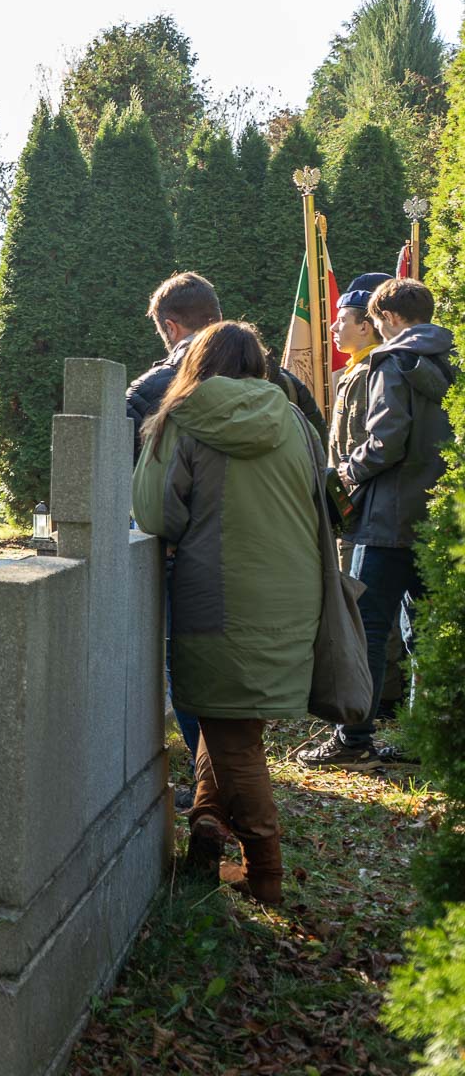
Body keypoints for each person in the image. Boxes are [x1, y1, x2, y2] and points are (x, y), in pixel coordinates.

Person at [132, 321, 323, 906]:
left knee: (233, 738)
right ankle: (207, 825)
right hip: (295, 592)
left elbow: (155, 513)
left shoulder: (182, 418)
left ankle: (267, 874)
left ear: (195, 364)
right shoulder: (294, 418)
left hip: (217, 595)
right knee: (234, 724)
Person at [300, 277, 456, 770]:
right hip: (439, 517)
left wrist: (347, 471)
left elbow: (386, 440)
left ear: (387, 318)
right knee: (424, 630)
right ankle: (423, 738)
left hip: (388, 518)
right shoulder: (451, 361)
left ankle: (353, 739)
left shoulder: (390, 361)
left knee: (363, 628)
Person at [319, 277, 405, 716]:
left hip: (364, 508)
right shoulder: (356, 370)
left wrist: (345, 492)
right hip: (353, 507)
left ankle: (381, 698)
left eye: (342, 321)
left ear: (367, 326)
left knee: (366, 608)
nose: (334, 329)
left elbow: (362, 446)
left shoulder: (373, 371)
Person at [125, 272, 322, 453]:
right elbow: (317, 454)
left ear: (170, 327)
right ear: (219, 318)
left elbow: (122, 466)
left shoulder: (147, 392)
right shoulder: (288, 385)